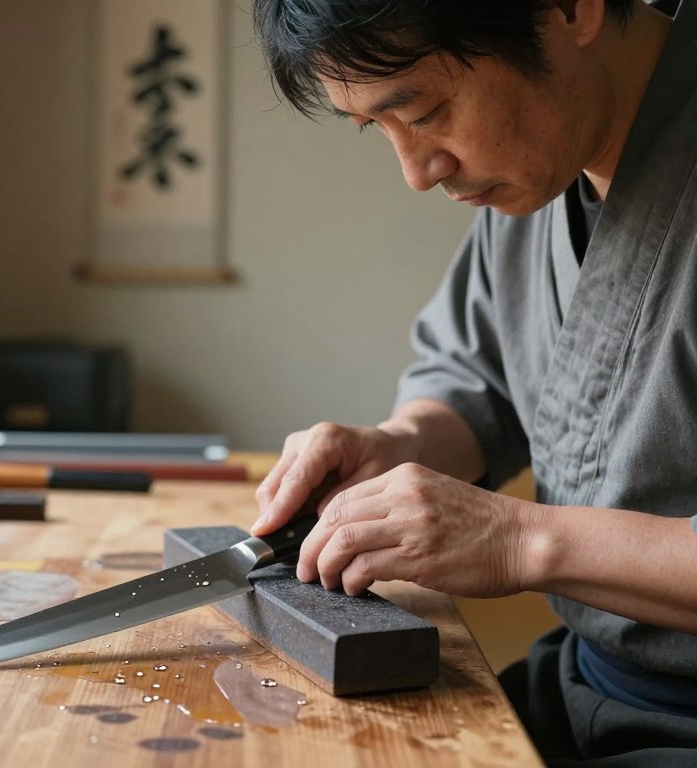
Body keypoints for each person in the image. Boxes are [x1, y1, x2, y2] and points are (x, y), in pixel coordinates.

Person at [248, 0, 697, 764]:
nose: (418, 173)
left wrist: (518, 540)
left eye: (424, 112)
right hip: (581, 690)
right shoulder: (541, 167)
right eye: (378, 131)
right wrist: (397, 445)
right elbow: (479, 377)